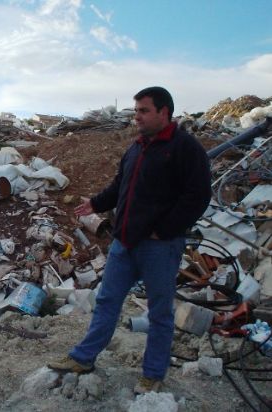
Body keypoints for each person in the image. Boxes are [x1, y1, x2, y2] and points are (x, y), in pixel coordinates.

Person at [47, 86, 212, 394]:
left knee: (159, 313)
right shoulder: (137, 148)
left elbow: (199, 196)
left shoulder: (185, 148)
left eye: (144, 111)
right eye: (136, 110)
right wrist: (95, 204)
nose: (137, 117)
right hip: (124, 243)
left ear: (164, 112)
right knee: (107, 301)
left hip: (160, 248)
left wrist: (164, 229)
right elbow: (120, 185)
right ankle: (83, 358)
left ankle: (152, 374)